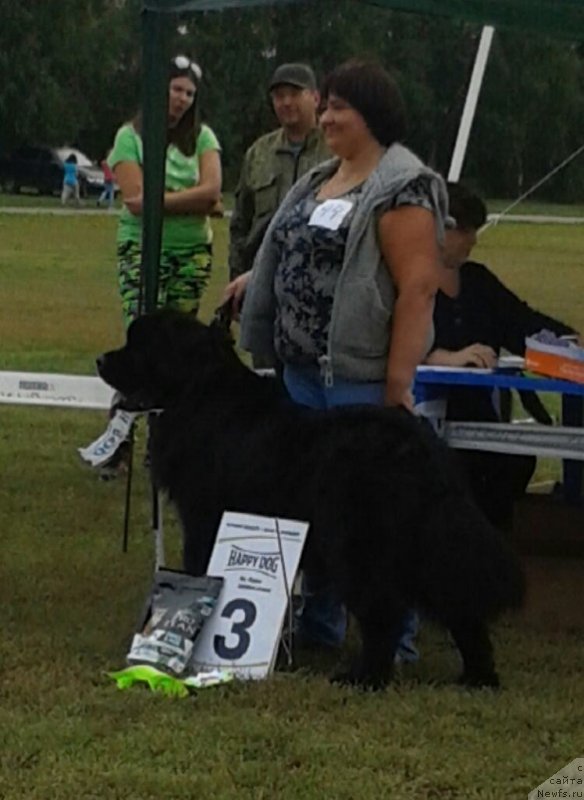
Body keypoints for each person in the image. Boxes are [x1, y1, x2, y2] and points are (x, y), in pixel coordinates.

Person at [238, 59, 448, 655]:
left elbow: (418, 288)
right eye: (323, 106)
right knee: (316, 508)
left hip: (360, 377)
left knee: (375, 517)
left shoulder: (402, 186)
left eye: (338, 108)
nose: (325, 117)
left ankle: (392, 641)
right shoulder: (318, 179)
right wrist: (254, 280)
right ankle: (318, 626)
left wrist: (399, 381)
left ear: (373, 116)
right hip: (300, 374)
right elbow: (300, 247)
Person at [425, 182, 580, 528]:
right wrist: (446, 358)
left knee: (513, 462)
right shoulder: (405, 284)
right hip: (426, 426)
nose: (474, 240)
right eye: (467, 230)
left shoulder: (478, 281)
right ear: (442, 228)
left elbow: (521, 323)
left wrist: (569, 339)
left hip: (482, 422)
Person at [107, 54, 222, 326]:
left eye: (190, 94)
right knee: (144, 331)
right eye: (177, 89)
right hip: (141, 249)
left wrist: (160, 199)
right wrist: (195, 201)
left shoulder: (203, 137)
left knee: (179, 337)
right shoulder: (128, 137)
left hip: (192, 251)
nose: (183, 99)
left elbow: (213, 193)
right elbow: (136, 202)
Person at [228, 63, 329, 282]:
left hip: (318, 276)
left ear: (315, 98)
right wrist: (236, 275)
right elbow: (240, 223)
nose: (286, 102)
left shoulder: (337, 149)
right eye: (279, 96)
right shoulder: (259, 152)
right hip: (260, 275)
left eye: (295, 94)